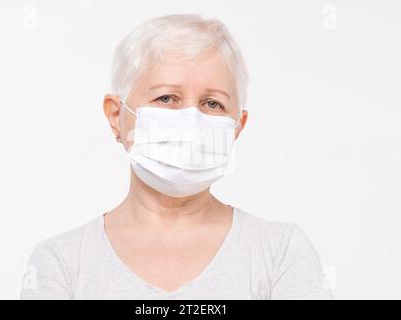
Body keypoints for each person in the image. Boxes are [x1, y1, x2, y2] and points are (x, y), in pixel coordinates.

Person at [20, 13, 334, 300]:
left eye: (213, 104)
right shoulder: (62, 263)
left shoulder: (281, 253)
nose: (191, 120)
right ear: (117, 115)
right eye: (166, 97)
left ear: (237, 126)